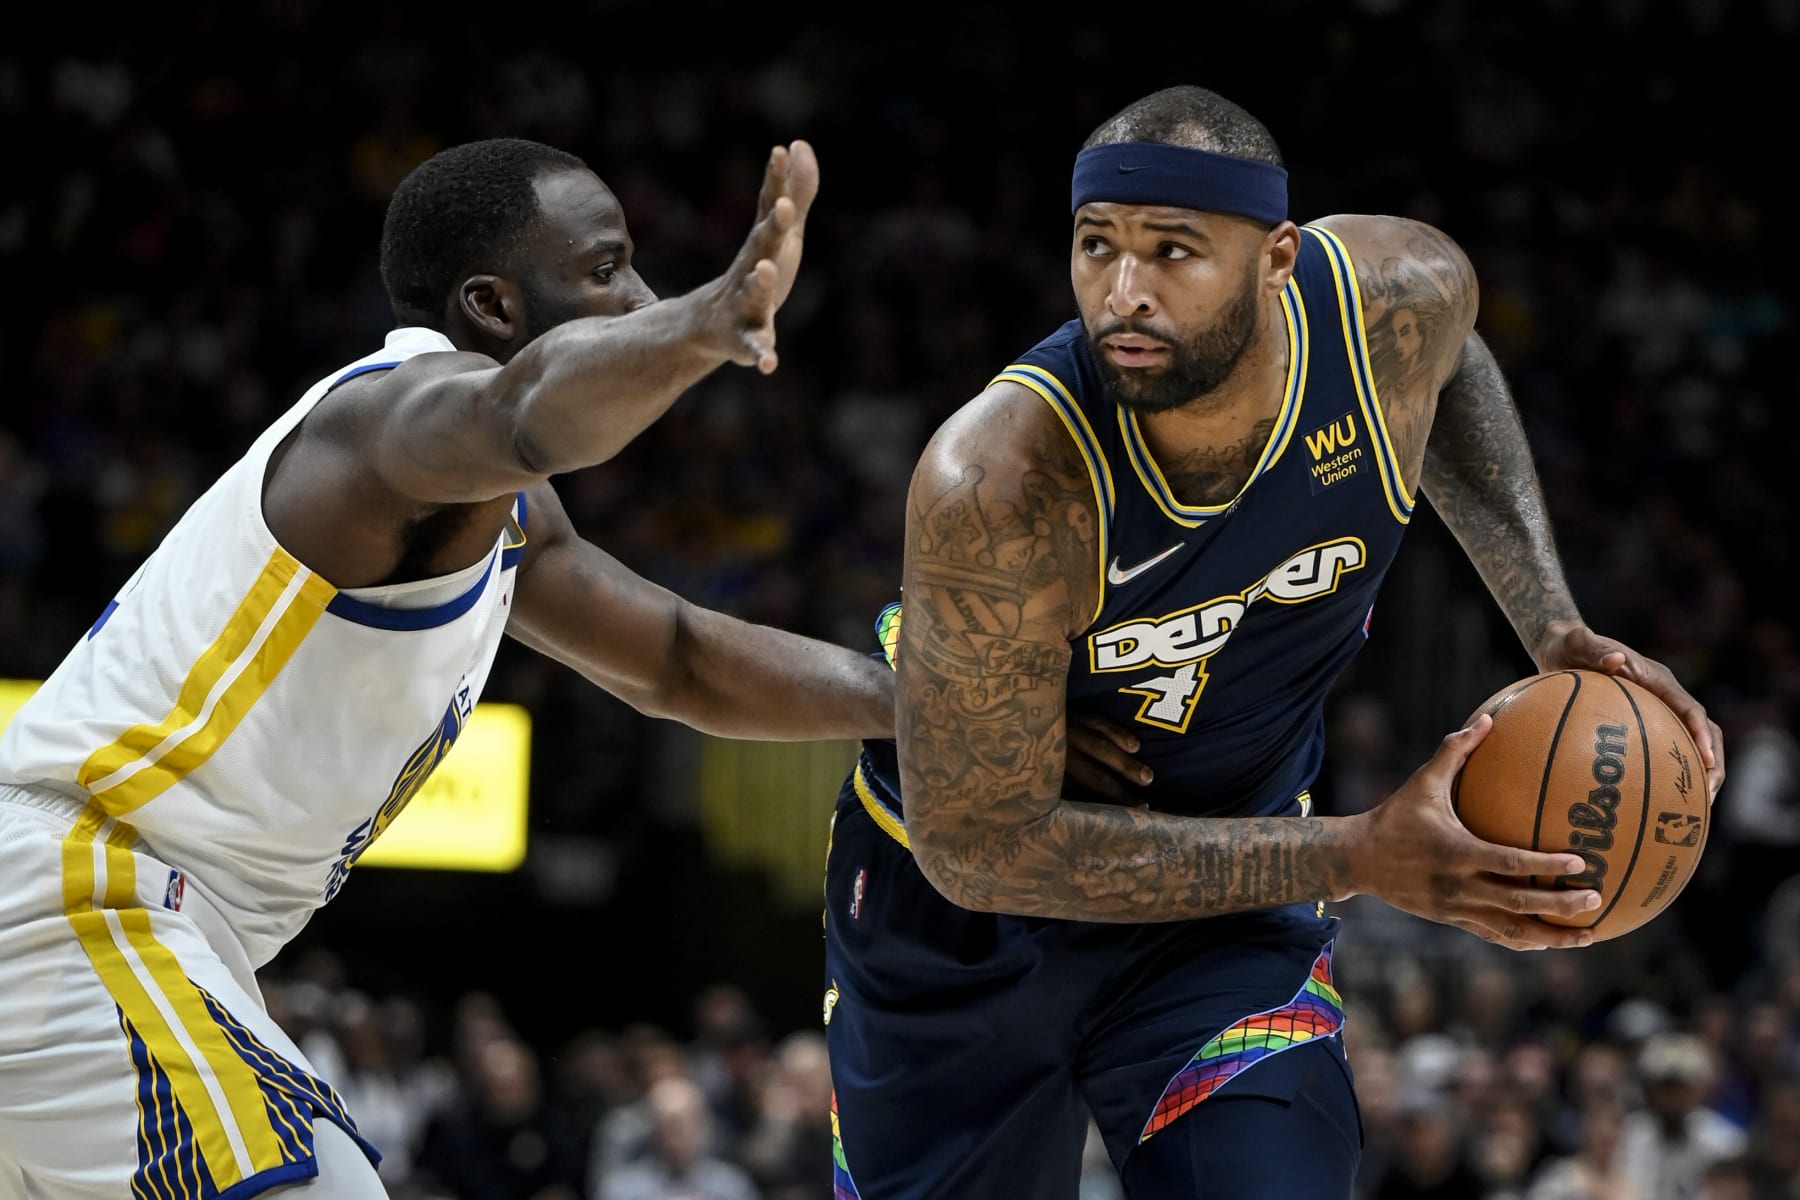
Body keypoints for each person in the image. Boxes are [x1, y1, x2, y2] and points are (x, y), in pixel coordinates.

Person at [822, 84, 1727, 1200]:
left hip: (1217, 911)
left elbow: (1453, 367)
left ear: (1278, 258)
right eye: (1095, 246)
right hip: (964, 932)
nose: (1125, 292)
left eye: (1174, 252)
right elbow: (979, 849)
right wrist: (1356, 855)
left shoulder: (1393, 298)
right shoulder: (998, 483)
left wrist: (1551, 621)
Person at [0, 135, 906, 1199]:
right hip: (80, 895)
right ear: (493, 307)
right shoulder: (389, 417)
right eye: (608, 270)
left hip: (138, 921)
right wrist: (705, 321)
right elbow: (524, 413)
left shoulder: (504, 517)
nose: (641, 297)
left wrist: (913, 708)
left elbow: (676, 659)